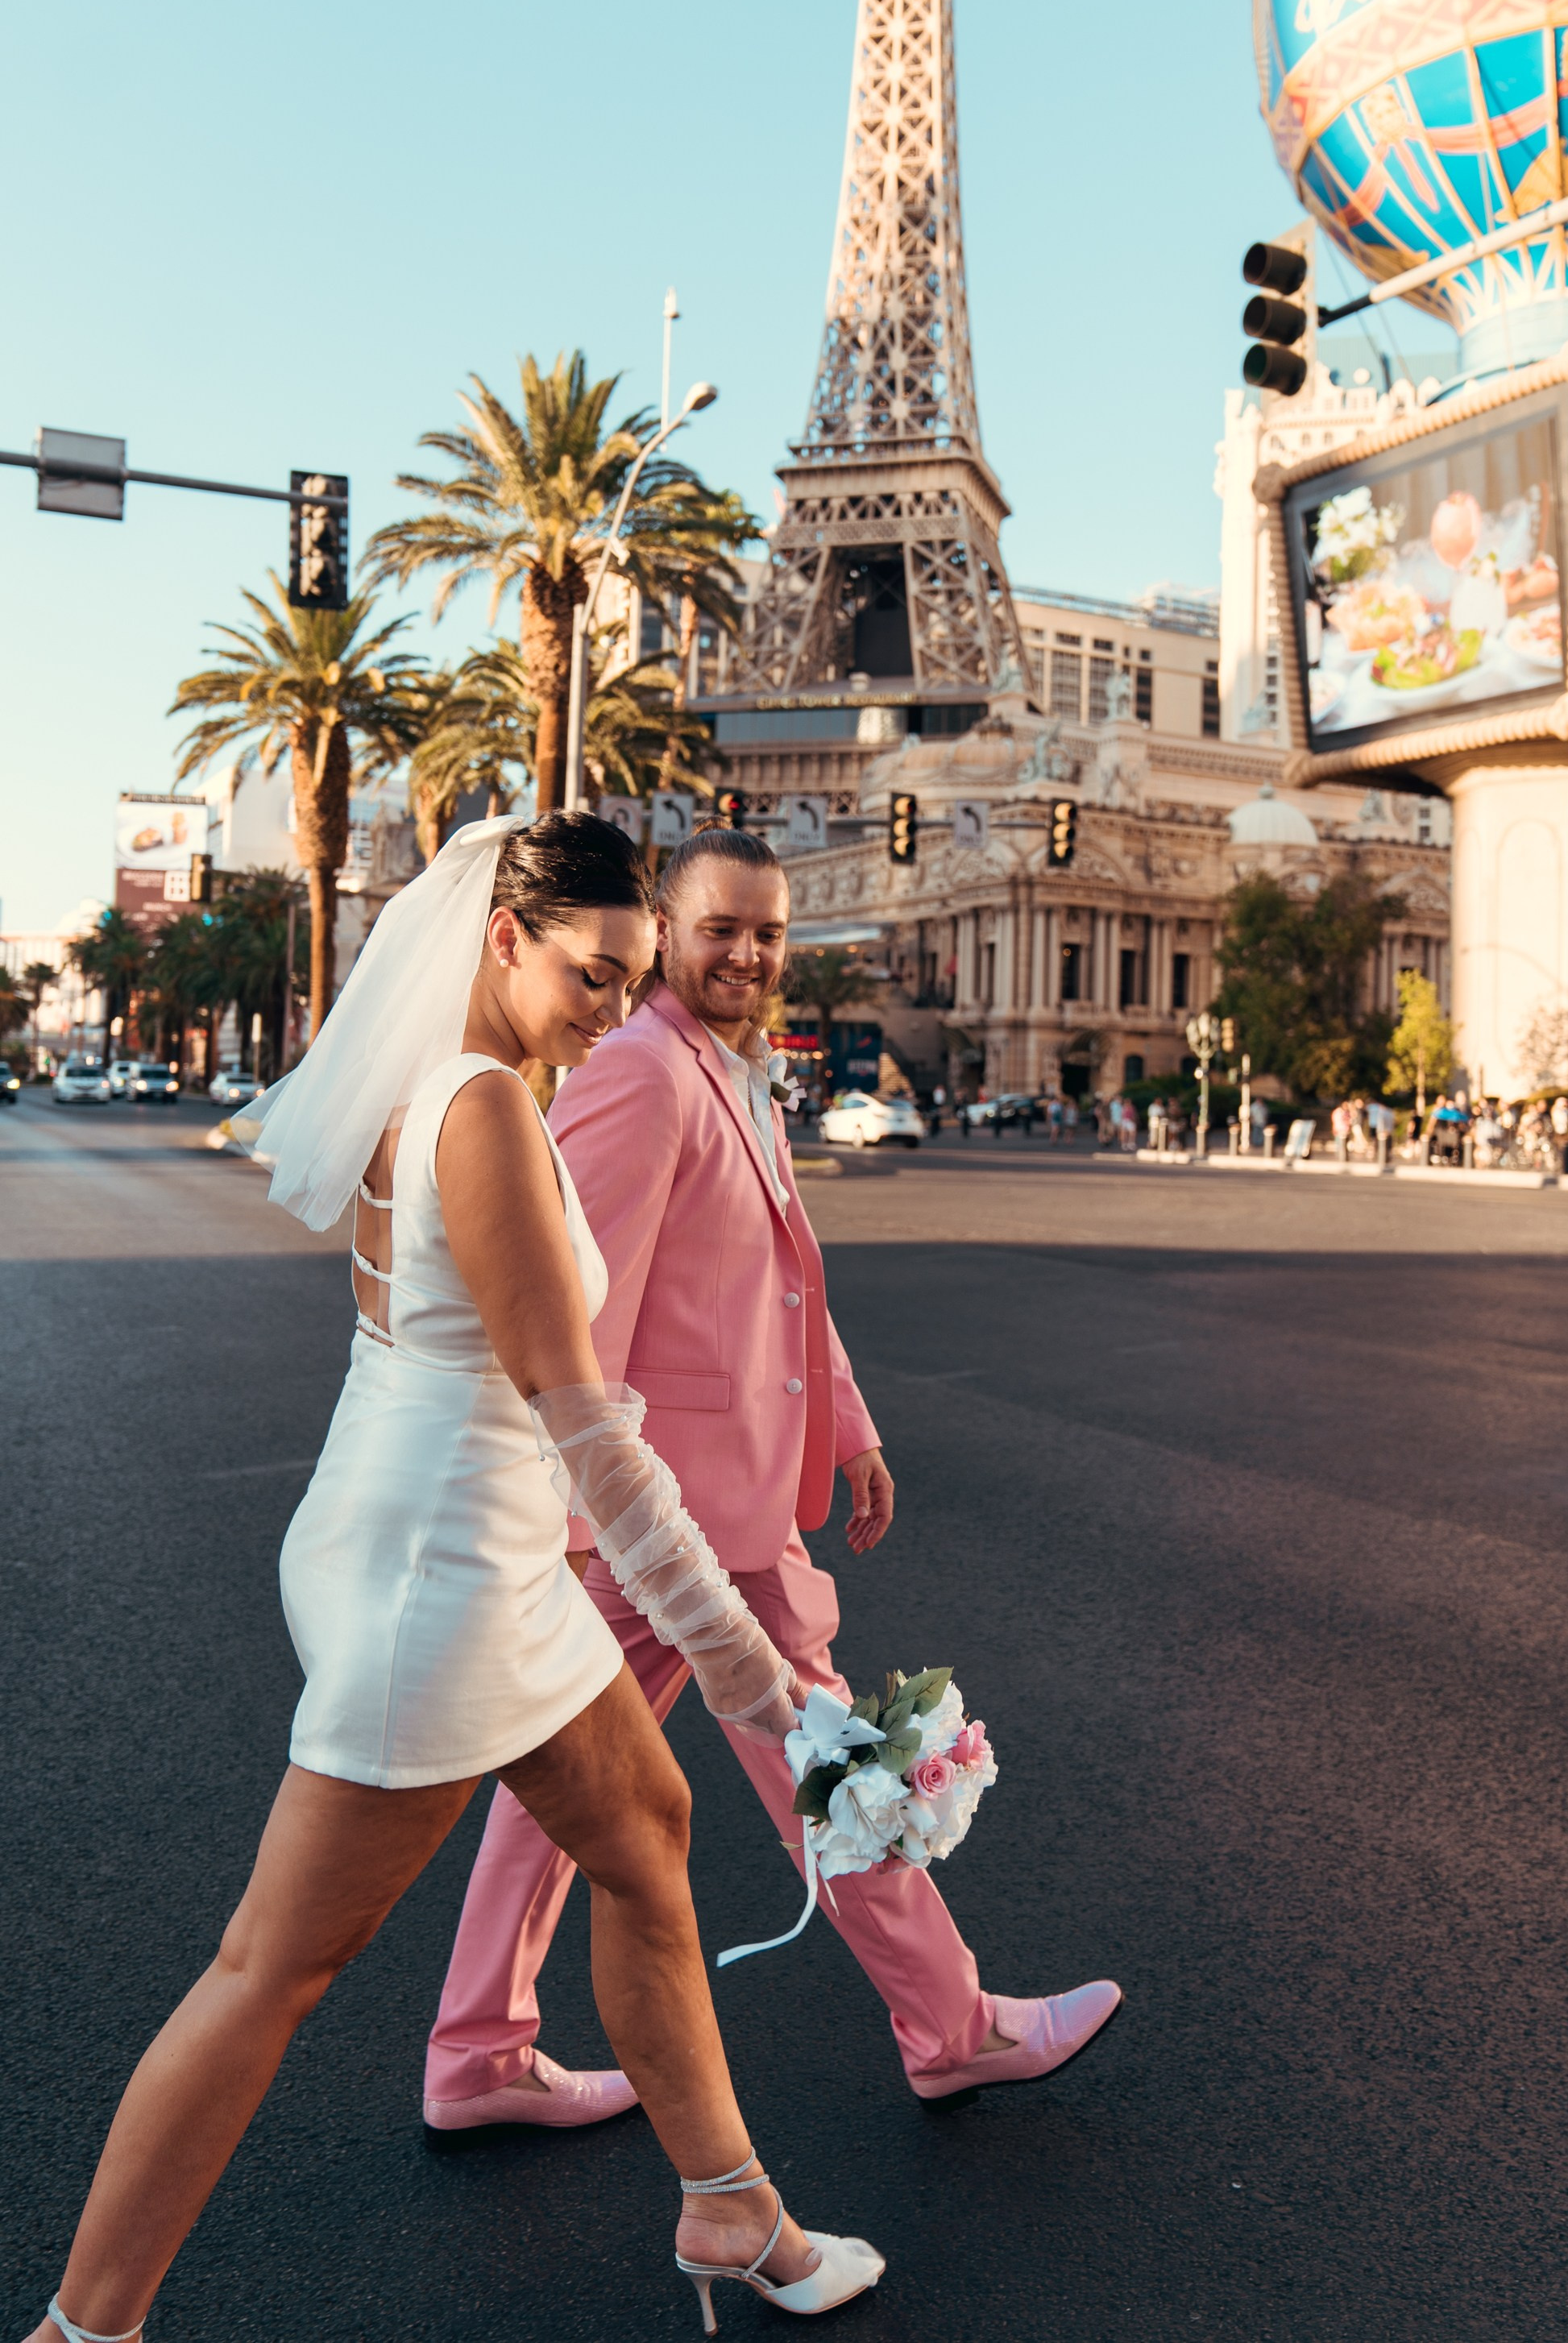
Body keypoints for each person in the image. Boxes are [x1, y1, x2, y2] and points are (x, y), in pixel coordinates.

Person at [25, 814, 886, 2343]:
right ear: (501, 939)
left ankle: (732, 2206)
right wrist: (758, 1676)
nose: (619, 1009)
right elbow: (597, 1442)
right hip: (451, 1575)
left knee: (647, 1835)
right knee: (272, 1967)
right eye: (593, 974)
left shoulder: (450, 1087)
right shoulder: (486, 1111)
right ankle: (84, 2331)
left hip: (446, 1530)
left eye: (635, 980)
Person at [423, 826, 1118, 2129]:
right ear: (665, 932)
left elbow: (782, 1285)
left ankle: (477, 2053)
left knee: (568, 1788)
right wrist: (584, 1523)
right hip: (683, 1523)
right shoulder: (641, 1070)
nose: (746, 954)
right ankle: (951, 2024)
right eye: (718, 929)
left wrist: (846, 1425)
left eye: (769, 933)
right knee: (831, 1763)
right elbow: (581, 1313)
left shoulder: (724, 1069)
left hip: (700, 1503)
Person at [1365, 1093, 1394, 1170]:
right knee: (1388, 1145)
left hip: (1380, 1130)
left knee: (1376, 1143)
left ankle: (1376, 1155)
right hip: (1388, 1131)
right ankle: (1387, 1157)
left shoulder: (1380, 1112)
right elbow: (1392, 1122)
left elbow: (1380, 1122)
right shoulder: (1390, 1111)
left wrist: (1380, 1131)